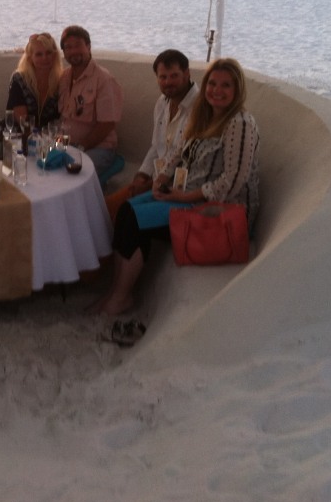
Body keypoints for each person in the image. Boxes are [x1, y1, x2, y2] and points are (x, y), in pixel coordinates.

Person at [90, 58, 260, 316]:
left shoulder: (240, 123)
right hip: (186, 197)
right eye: (212, 83)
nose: (217, 90)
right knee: (126, 210)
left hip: (217, 211)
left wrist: (184, 196)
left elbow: (232, 182)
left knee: (135, 219)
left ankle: (121, 297)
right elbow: (178, 153)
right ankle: (118, 291)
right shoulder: (204, 115)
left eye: (226, 85)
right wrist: (160, 179)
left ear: (238, 90)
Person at [104, 49, 199, 220]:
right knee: (107, 208)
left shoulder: (199, 108)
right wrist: (142, 175)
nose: (168, 82)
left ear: (187, 73)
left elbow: (185, 159)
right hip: (158, 178)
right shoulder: (162, 103)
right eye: (163, 77)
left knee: (120, 210)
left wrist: (150, 184)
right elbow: (157, 146)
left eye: (174, 76)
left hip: (180, 186)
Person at [57, 25, 123, 178]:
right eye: (68, 47)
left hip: (97, 148)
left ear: (88, 46)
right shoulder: (64, 77)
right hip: (67, 145)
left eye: (78, 45)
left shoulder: (104, 79)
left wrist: (80, 147)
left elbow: (107, 125)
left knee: (72, 174)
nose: (73, 51)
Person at [6, 33, 62, 130]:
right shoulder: (19, 79)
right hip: (20, 136)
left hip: (49, 138)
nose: (44, 58)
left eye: (48, 53)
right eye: (39, 54)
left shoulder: (61, 81)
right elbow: (22, 120)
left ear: (54, 55)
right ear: (30, 58)